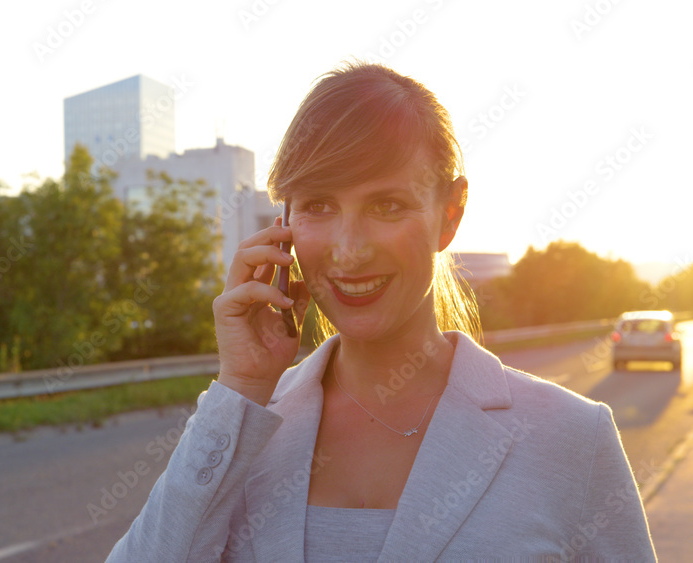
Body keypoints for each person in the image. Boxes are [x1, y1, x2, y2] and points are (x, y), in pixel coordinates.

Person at [106, 61, 656, 562]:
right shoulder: (242, 426)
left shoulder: (572, 439)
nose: (349, 249)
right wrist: (241, 386)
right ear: (283, 224)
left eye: (386, 205)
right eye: (319, 205)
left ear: (450, 213)